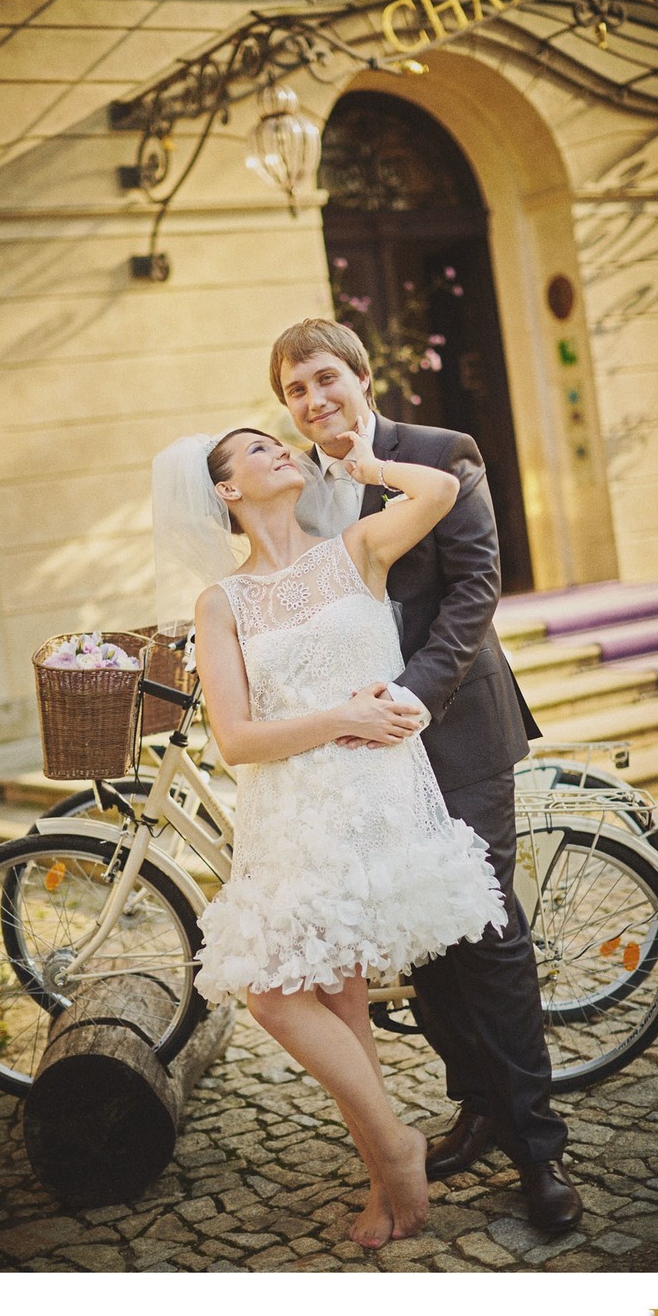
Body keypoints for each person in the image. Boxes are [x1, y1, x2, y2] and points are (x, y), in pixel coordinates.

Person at [267, 318, 583, 1233]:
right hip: (366, 753)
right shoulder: (298, 488)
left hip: (454, 731)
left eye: (325, 379)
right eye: (294, 391)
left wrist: (411, 695)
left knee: (483, 932)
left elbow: (474, 587)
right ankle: (477, 1106)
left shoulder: (440, 452)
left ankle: (539, 1148)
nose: (314, 400)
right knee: (421, 938)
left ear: (362, 377)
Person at [166, 426, 508, 1250]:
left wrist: (366, 466)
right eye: (254, 449)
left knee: (332, 994)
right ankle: (394, 1154)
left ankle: (390, 1170)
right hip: (291, 810)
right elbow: (237, 738)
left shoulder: (355, 548)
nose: (279, 447)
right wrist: (342, 716)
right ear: (227, 491)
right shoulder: (223, 602)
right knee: (284, 995)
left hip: (379, 796)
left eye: (279, 442)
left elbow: (439, 491)